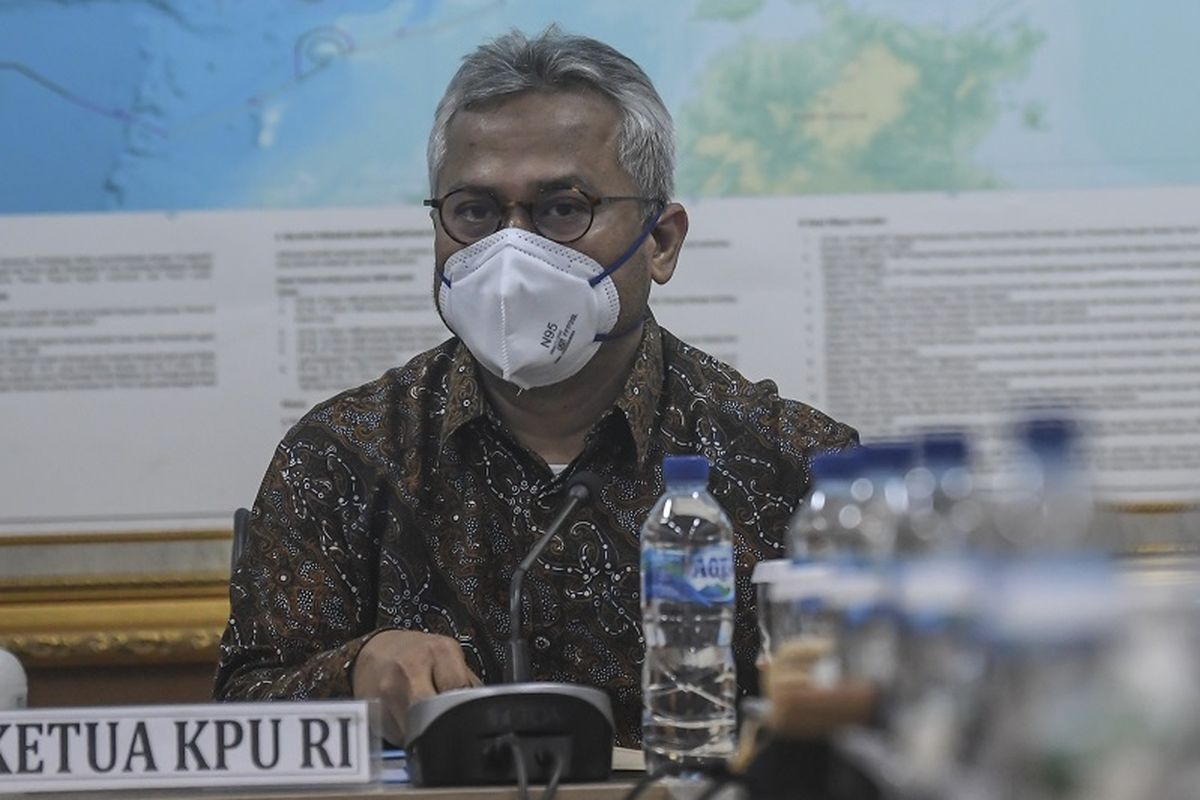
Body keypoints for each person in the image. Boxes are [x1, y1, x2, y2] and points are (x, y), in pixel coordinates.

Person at [214, 26, 857, 747]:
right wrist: (356, 669)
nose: (510, 251)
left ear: (662, 240)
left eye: (561, 208)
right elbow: (245, 712)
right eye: (475, 212)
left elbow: (885, 715)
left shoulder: (794, 465)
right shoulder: (342, 457)